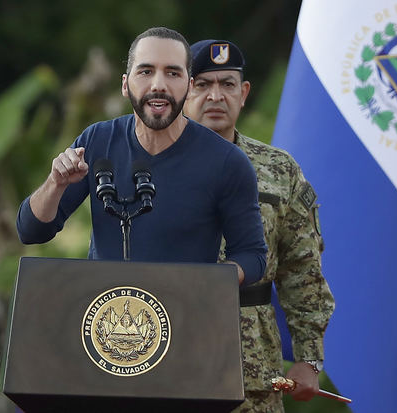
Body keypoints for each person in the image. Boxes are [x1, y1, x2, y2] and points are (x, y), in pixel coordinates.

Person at [17, 28, 267, 289]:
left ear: (189, 85)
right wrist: (55, 184)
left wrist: (201, 283)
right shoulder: (97, 140)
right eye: (146, 71)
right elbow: (31, 231)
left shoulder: (227, 161)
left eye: (173, 73)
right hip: (106, 319)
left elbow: (252, 256)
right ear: (125, 85)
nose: (158, 85)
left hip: (185, 316)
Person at [184, 39, 335, 413]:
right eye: (202, 85)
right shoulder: (151, 163)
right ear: (183, 91)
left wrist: (308, 357)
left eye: (227, 84)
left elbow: (303, 268)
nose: (215, 96)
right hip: (171, 350)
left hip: (250, 363)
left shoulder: (278, 170)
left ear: (244, 92)